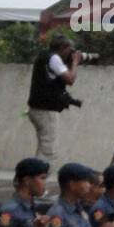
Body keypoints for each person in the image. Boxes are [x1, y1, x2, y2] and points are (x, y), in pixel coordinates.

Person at [26, 32, 82, 164]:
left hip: (36, 109)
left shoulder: (43, 56)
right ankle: (37, 179)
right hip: (46, 111)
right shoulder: (54, 58)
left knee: (43, 148)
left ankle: (34, 176)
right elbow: (70, 79)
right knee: (48, 152)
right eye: (70, 50)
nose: (71, 53)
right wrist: (75, 63)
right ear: (63, 47)